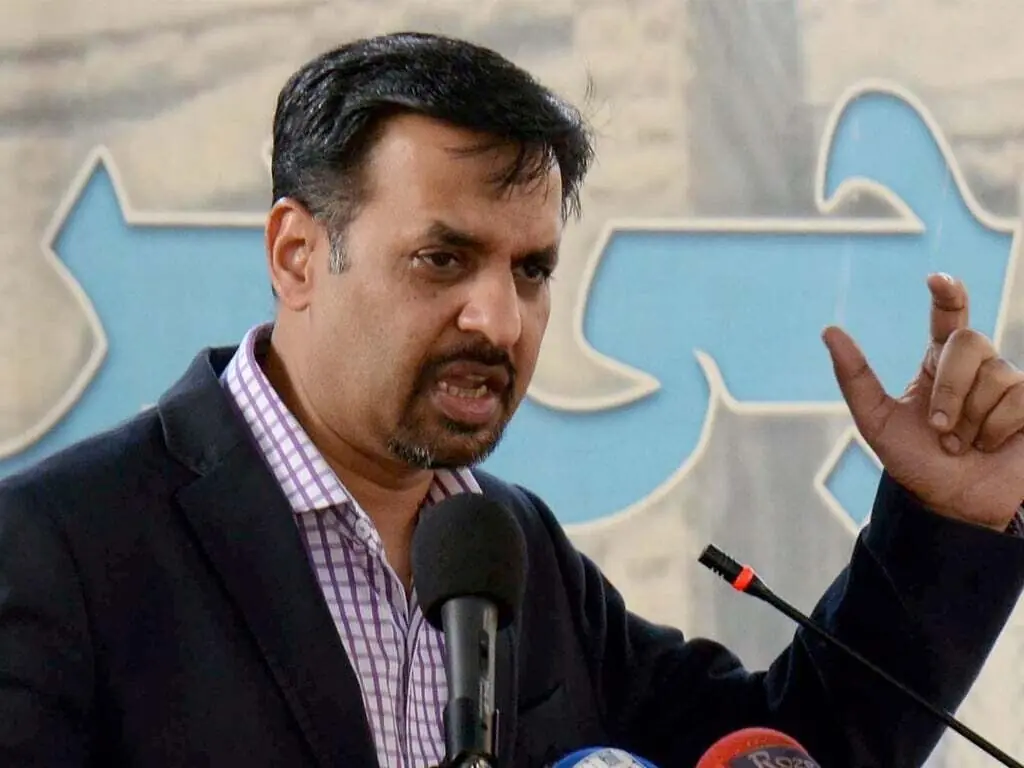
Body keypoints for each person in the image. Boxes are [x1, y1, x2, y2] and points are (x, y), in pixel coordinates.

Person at [2, 31, 1023, 768]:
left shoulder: (510, 550)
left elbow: (786, 752)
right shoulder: (61, 548)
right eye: (442, 259)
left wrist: (948, 518)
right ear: (298, 255)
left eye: (530, 270)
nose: (498, 320)